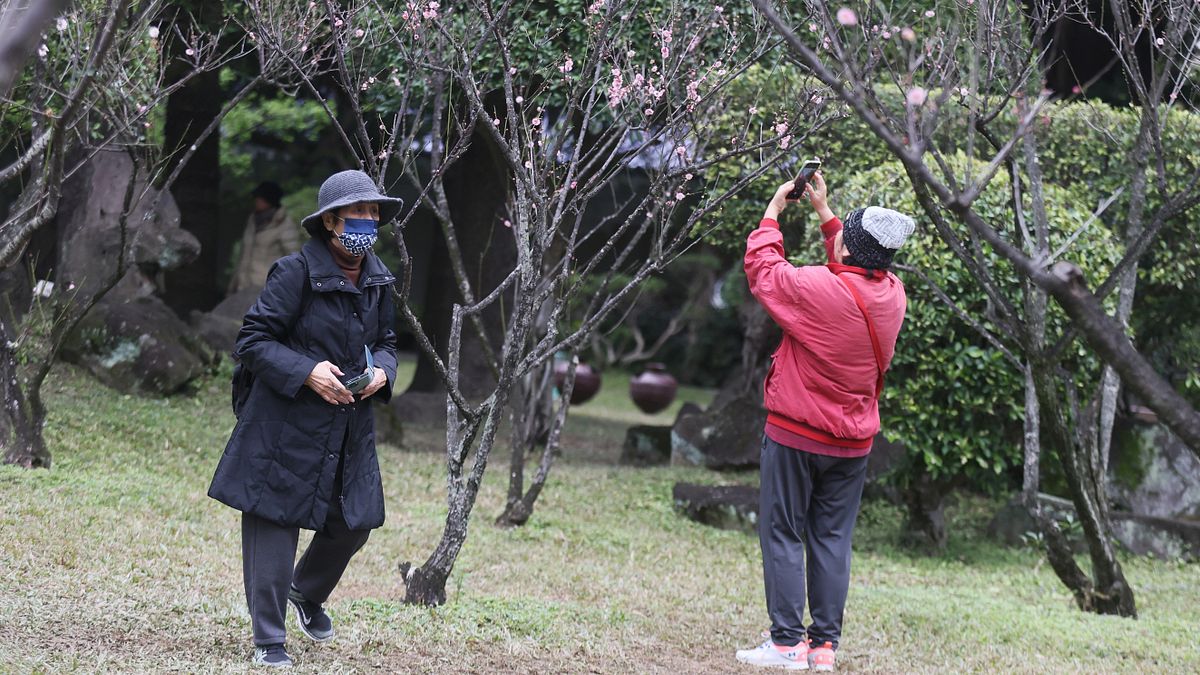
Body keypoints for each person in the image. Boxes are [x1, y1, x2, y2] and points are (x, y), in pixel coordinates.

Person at [208, 170, 403, 668]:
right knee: (275, 524)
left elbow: (386, 344)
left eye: (374, 213)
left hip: (347, 422)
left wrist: (382, 371)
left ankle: (306, 593)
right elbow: (252, 340)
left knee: (354, 520)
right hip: (284, 422)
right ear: (331, 221)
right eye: (359, 213)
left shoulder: (380, 279)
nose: (369, 222)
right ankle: (268, 640)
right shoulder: (293, 272)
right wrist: (308, 370)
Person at [735, 172, 913, 671]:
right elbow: (851, 260)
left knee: (784, 532)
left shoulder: (817, 289)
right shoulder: (893, 295)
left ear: (849, 252)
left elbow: (765, 272)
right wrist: (824, 212)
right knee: (832, 539)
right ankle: (823, 649)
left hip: (795, 435)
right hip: (853, 443)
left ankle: (787, 642)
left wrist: (773, 211)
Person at [227, 181, 301, 295]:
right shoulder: (252, 221)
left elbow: (294, 261)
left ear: (270, 200)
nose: (256, 201)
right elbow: (243, 256)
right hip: (243, 288)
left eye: (260, 198)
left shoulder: (285, 225)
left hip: (268, 290)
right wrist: (233, 287)